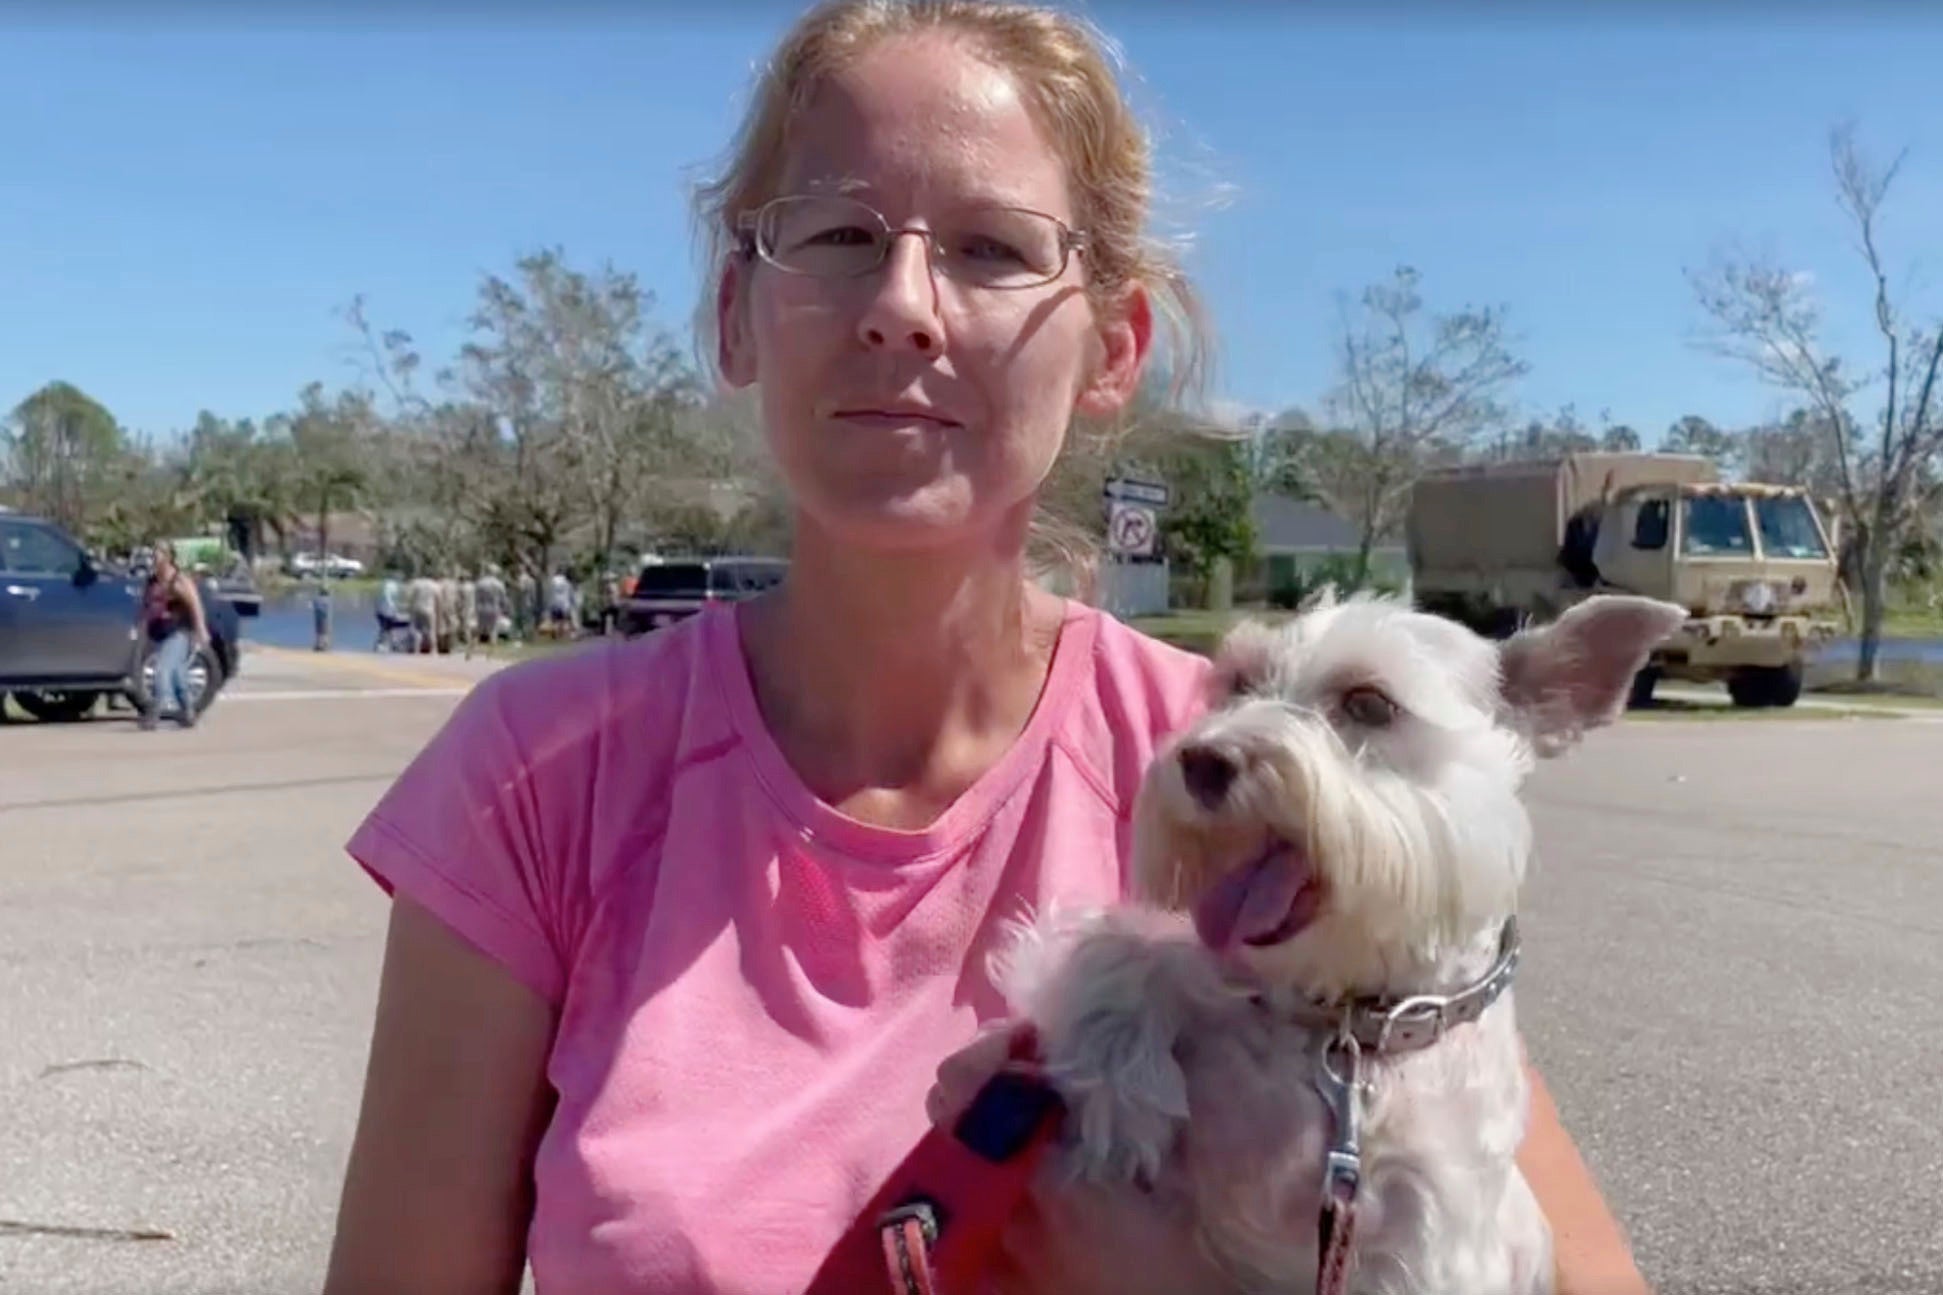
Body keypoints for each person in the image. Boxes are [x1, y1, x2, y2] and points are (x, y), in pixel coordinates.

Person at [322, 3, 1651, 1293]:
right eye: (836, 233)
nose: (901, 305)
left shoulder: (1240, 768)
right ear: (734, 312)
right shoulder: (537, 772)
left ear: (1112, 347)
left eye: (991, 249)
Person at [138, 541, 210, 730]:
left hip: (179, 633)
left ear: (169, 557)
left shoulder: (178, 580)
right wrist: (141, 627)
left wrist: (201, 630)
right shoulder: (152, 581)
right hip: (160, 633)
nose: (155, 558)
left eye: (159, 554)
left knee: (162, 670)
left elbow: (195, 604)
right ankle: (188, 712)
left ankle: (154, 712)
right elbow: (147, 607)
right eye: (154, 554)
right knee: (177, 674)